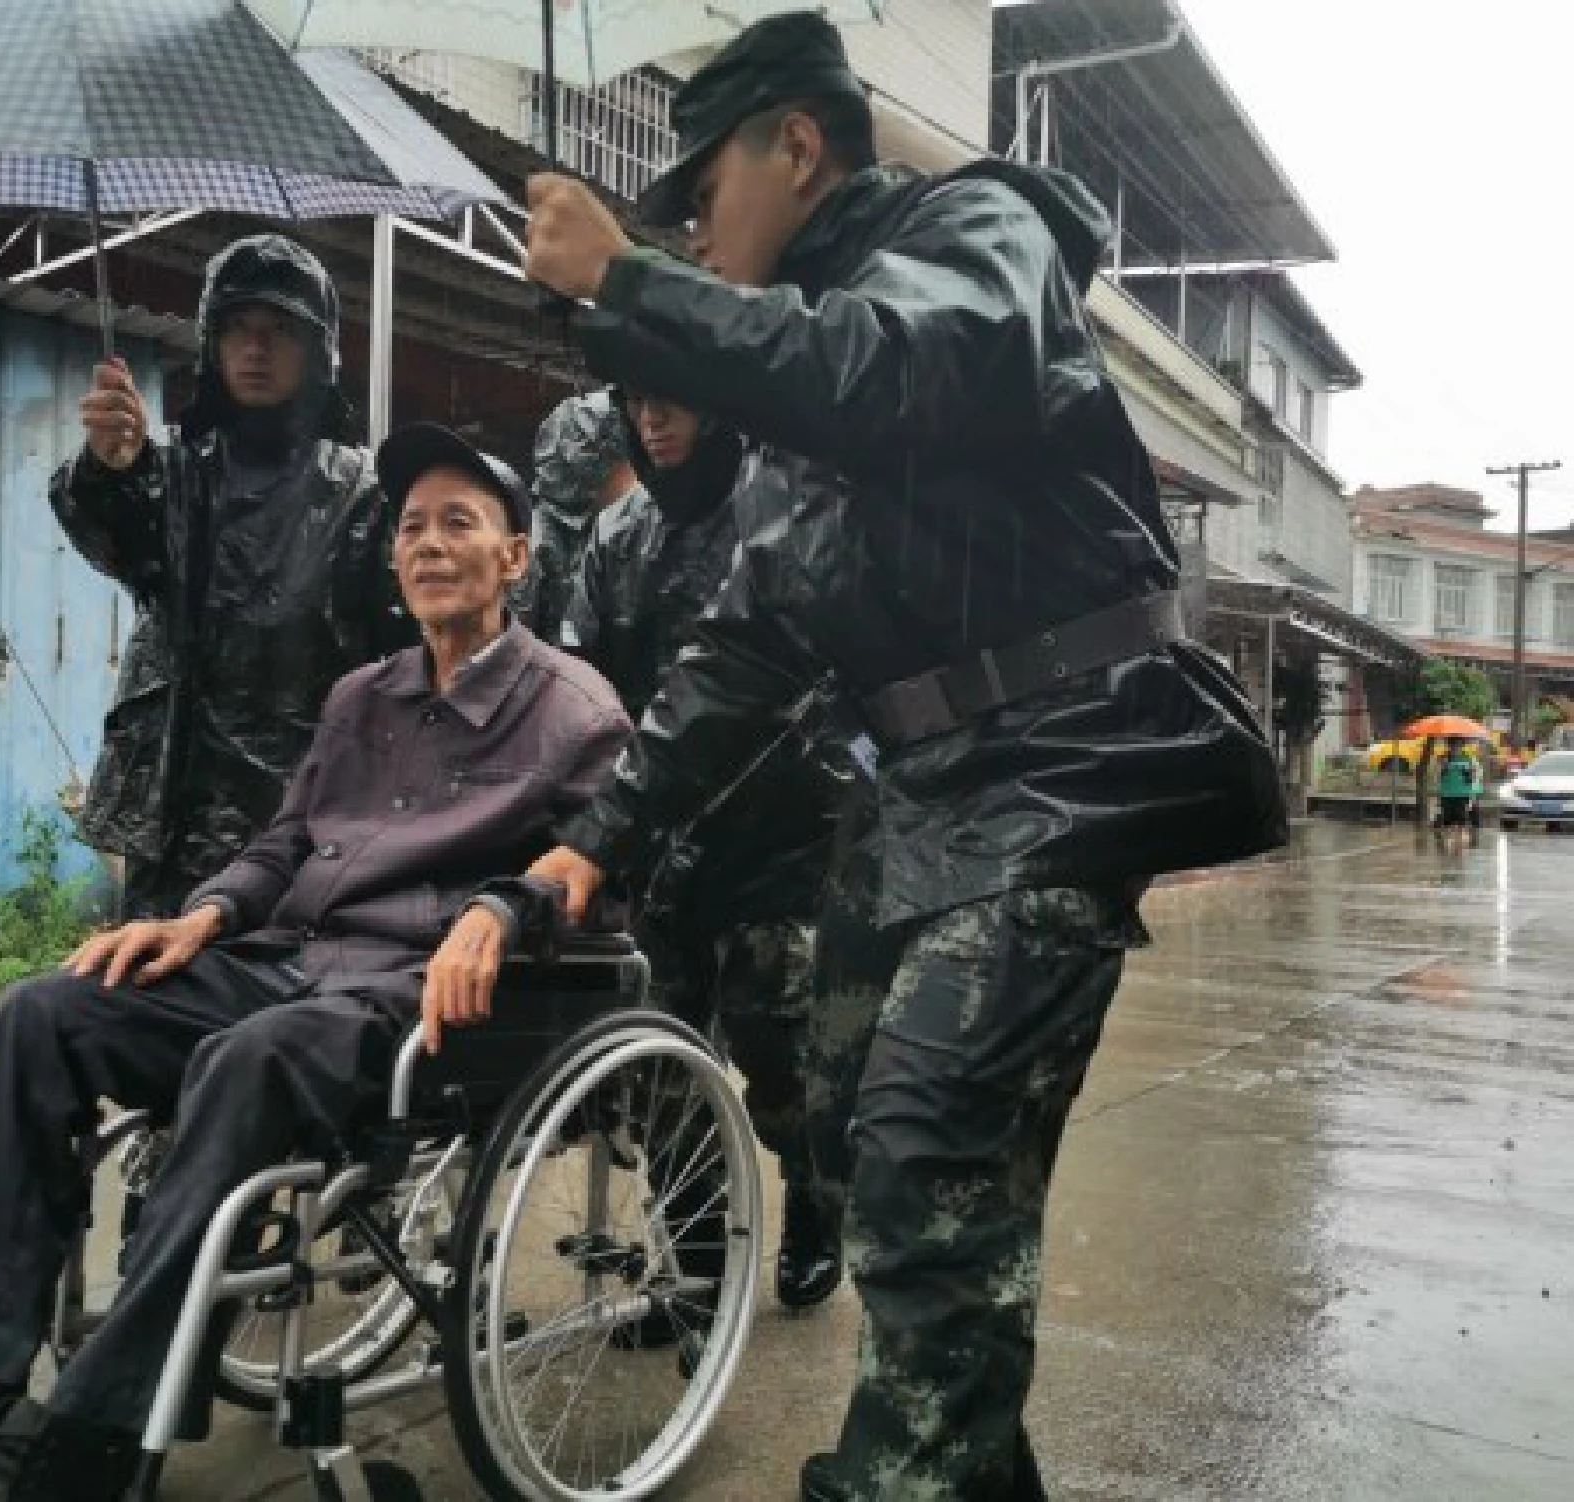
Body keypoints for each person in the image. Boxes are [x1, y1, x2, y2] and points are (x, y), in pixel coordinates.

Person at [515, 13, 1288, 1500]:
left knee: (933, 1168)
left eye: (700, 195)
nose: (687, 227)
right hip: (920, 808)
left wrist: (628, 277)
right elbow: (739, 652)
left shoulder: (972, 238)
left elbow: (900, 368)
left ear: (797, 145)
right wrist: (596, 839)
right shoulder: (796, 406)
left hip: (1065, 772)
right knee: (869, 1153)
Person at [0, 425, 631, 1502]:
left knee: (248, 1057)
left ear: (515, 558)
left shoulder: (572, 706)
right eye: (411, 527)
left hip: (421, 996)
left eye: (460, 522)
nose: (429, 544)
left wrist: (504, 906)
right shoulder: (362, 694)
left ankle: (93, 1433)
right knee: (47, 1011)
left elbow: (600, 861)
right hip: (289, 959)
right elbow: (285, 843)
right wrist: (201, 915)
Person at [559, 388, 847, 1313]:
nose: (654, 421)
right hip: (652, 852)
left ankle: (817, 1201)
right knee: (660, 1067)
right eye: (638, 404)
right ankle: (694, 1273)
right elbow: (581, 679)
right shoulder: (617, 537)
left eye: (675, 399)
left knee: (787, 1062)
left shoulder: (781, 509)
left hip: (781, 847)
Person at [52, 235, 408, 919]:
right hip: (174, 806)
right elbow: (108, 535)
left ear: (318, 349)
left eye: (279, 331)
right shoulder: (172, 473)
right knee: (151, 991)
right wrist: (107, 468)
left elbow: (399, 660)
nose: (256, 349)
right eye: (239, 329)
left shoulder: (364, 491)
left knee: (270, 1001)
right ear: (212, 343)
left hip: (303, 811)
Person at [513, 389, 636, 635]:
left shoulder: (613, 535)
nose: (637, 479)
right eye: (630, 464)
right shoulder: (534, 548)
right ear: (593, 469)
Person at [1435, 739, 1481, 842]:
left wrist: (1470, 776)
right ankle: (1447, 840)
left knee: (1461, 817)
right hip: (1446, 792)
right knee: (1447, 818)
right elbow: (1437, 775)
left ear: (1462, 746)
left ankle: (1459, 842)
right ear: (1449, 746)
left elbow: (1474, 776)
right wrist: (1443, 766)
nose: (1455, 748)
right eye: (1452, 746)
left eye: (1458, 746)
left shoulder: (1469, 759)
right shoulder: (1443, 758)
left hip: (1462, 793)